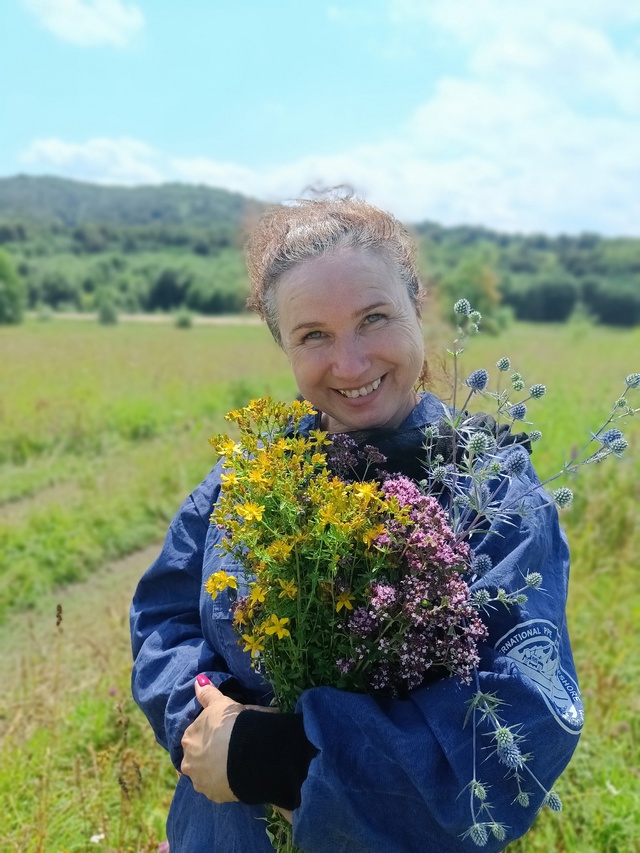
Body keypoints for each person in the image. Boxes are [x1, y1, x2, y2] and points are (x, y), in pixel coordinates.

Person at [130, 195, 583, 852]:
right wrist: (213, 721)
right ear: (282, 344)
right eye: (314, 335)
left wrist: (288, 758)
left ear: (417, 306)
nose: (350, 363)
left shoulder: (491, 488)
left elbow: (526, 716)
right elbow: (163, 620)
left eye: (374, 318)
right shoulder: (252, 474)